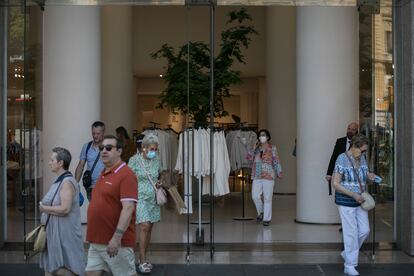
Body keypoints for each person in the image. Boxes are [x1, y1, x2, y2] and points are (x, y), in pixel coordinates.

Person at [85, 135, 138, 276]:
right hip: (96, 240)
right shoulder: (104, 172)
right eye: (102, 148)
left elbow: (128, 208)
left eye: (109, 148)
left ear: (119, 151)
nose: (104, 151)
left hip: (115, 242)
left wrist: (116, 237)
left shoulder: (126, 174)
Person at [332, 134, 376, 276]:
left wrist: (370, 177)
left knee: (364, 230)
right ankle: (350, 265)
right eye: (362, 150)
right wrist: (353, 195)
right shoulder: (342, 158)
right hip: (346, 201)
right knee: (350, 233)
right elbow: (336, 184)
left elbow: (362, 178)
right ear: (354, 147)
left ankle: (347, 252)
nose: (364, 153)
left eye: (365, 151)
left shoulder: (361, 158)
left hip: (361, 201)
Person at [39, 147, 85, 276]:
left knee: (61, 268)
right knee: (50, 267)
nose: (49, 162)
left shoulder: (67, 182)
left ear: (60, 163)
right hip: (56, 232)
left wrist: (44, 208)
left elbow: (65, 209)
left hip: (65, 233)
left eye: (52, 160)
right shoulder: (60, 180)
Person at [128, 133, 162, 274]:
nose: (153, 152)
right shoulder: (134, 160)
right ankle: (141, 260)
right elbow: (127, 179)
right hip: (139, 197)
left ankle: (145, 256)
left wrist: (160, 182)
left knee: (149, 228)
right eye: (151, 149)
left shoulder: (157, 159)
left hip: (153, 198)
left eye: (155, 149)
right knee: (144, 226)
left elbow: (159, 175)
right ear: (143, 148)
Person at [248, 129, 283, 226]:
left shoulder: (272, 148)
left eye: (263, 135)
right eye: (260, 135)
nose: (261, 137)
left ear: (267, 137)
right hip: (257, 175)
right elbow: (249, 158)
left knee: (267, 198)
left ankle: (266, 219)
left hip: (269, 175)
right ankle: (261, 212)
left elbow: (276, 160)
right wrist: (253, 149)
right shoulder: (256, 148)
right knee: (255, 196)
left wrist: (279, 171)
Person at [326, 122, 359, 195]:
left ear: (356, 131)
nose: (350, 131)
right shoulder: (340, 141)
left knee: (352, 193)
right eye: (349, 129)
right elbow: (334, 157)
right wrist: (329, 173)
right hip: (340, 174)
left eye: (353, 130)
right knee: (341, 192)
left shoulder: (358, 143)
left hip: (353, 174)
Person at [75, 121, 105, 200]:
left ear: (103, 133)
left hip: (106, 185)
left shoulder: (108, 147)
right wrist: (75, 183)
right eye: (93, 133)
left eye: (98, 134)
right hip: (91, 187)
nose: (95, 136)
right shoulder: (87, 146)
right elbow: (81, 165)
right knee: (94, 210)